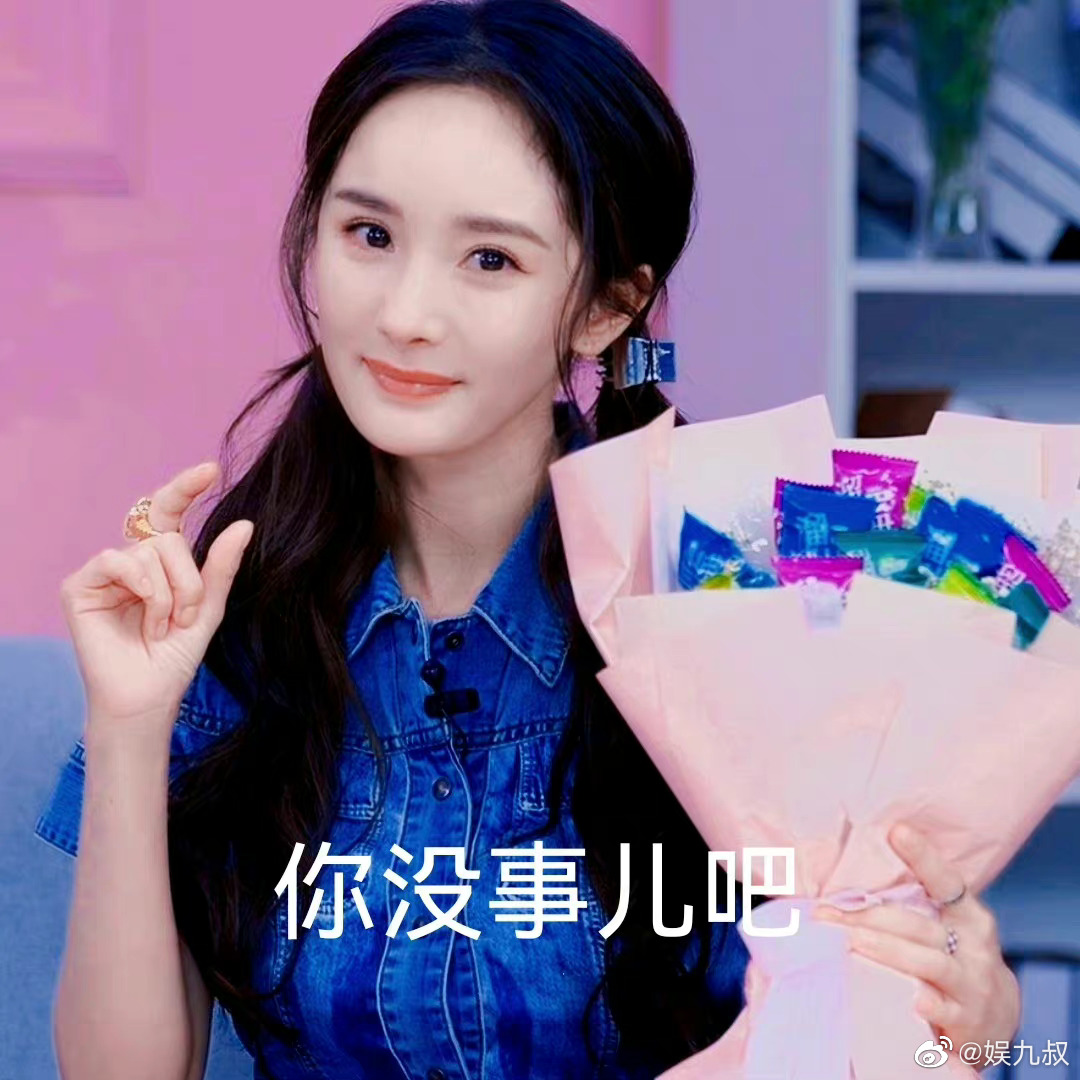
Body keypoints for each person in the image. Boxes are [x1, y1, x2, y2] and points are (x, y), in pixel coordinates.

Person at [34, 2, 1020, 1078]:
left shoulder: (741, 600)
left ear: (606, 307)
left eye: (491, 260)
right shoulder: (237, 615)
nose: (406, 313)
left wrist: (966, 1021)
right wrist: (129, 727)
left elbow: (865, 1023)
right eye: (370, 236)